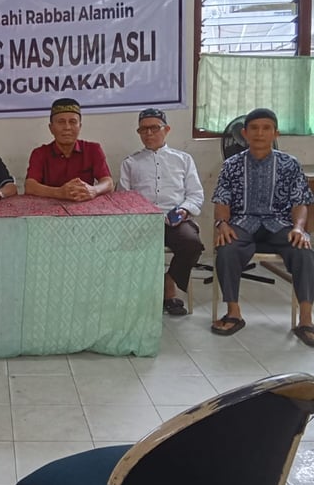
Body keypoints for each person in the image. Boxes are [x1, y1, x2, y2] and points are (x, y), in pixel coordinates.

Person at [212, 108, 314, 346]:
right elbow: (222, 200)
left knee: (304, 251)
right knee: (226, 249)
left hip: (279, 224)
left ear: (275, 133)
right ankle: (233, 313)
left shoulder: (290, 164)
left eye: (266, 128)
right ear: (244, 133)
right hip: (242, 223)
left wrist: (299, 228)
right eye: (254, 128)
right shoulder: (231, 165)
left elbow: (300, 202)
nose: (260, 133)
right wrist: (222, 224)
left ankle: (306, 319)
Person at [118, 108, 205, 316]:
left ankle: (169, 283)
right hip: (142, 221)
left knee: (192, 244)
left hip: (176, 220)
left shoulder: (183, 159)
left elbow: (196, 194)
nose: (148, 133)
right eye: (143, 129)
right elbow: (122, 198)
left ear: (166, 130)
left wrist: (183, 211)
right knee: (124, 249)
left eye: (154, 128)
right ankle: (139, 296)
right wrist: (139, 214)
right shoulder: (130, 163)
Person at [24, 98, 113, 201]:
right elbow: (30, 186)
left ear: (80, 126)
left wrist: (94, 190)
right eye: (61, 122)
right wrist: (59, 192)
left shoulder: (93, 149)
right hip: (48, 208)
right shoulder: (40, 153)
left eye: (72, 122)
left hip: (84, 206)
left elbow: (108, 182)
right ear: (51, 128)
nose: (67, 127)